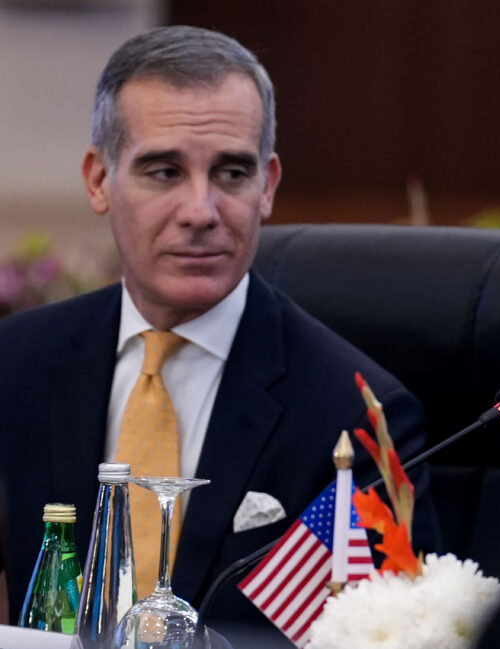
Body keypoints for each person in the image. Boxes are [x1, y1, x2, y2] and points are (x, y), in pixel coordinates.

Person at [0, 25, 437, 646]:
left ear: (268, 186)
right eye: (164, 171)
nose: (201, 211)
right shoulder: (15, 363)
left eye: (231, 173)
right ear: (98, 180)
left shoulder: (355, 416)